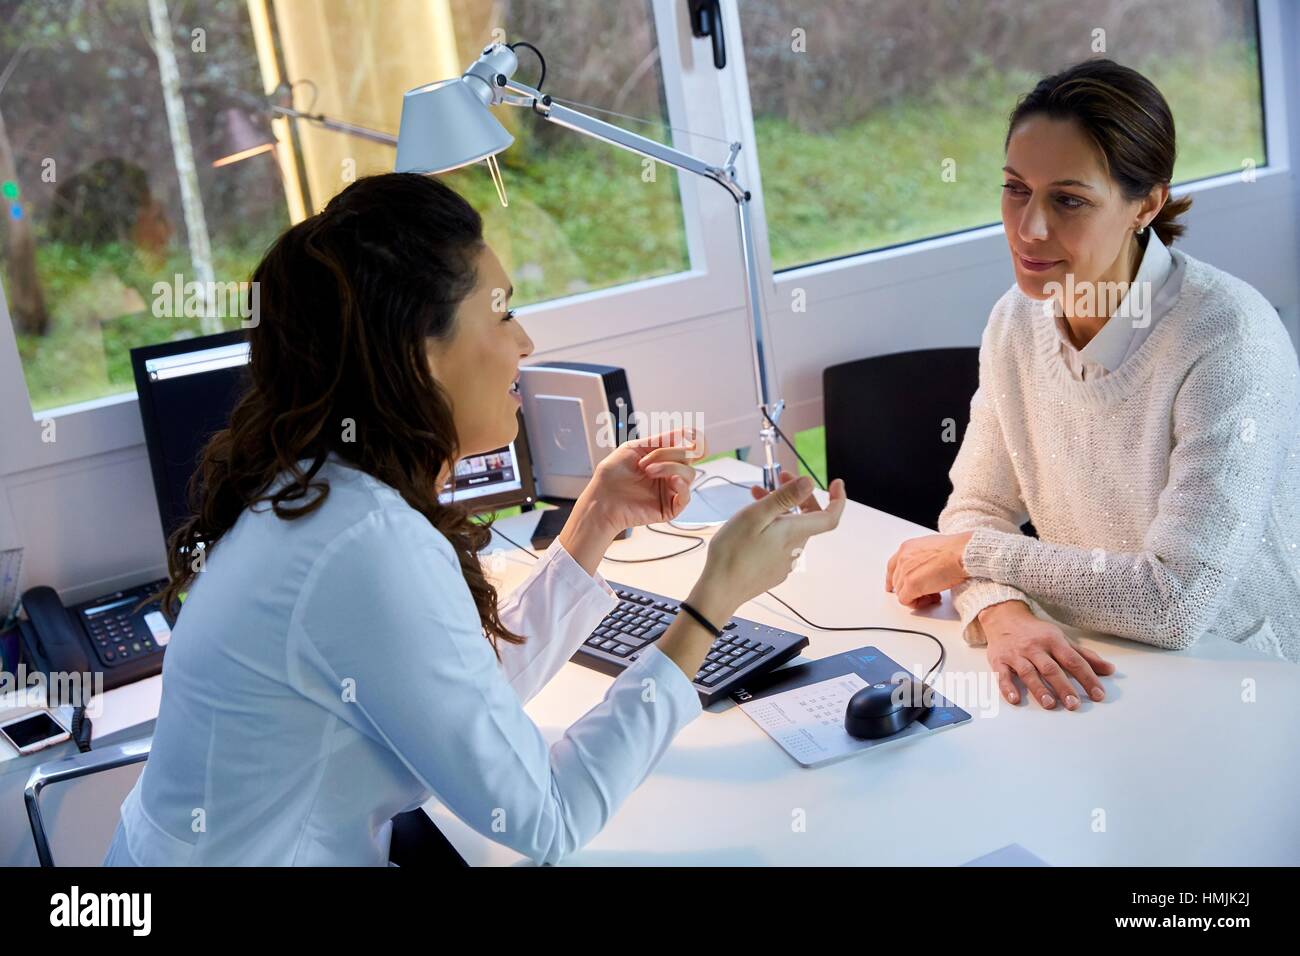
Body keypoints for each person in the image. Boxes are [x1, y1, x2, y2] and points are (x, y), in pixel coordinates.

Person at [103, 172, 845, 866]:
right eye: (504, 311)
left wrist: (594, 523)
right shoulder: (363, 544)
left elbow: (464, 700)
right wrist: (714, 602)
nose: (526, 342)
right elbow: (548, 818)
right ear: (420, 354)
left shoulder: (323, 490)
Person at [883, 58, 1300, 710]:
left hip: (1245, 682)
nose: (1029, 228)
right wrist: (1005, 616)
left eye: (1068, 200)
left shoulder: (1228, 343)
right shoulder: (1015, 321)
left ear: (1147, 204)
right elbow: (975, 510)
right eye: (1016, 189)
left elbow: (1175, 602)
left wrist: (976, 557)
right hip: (1096, 667)